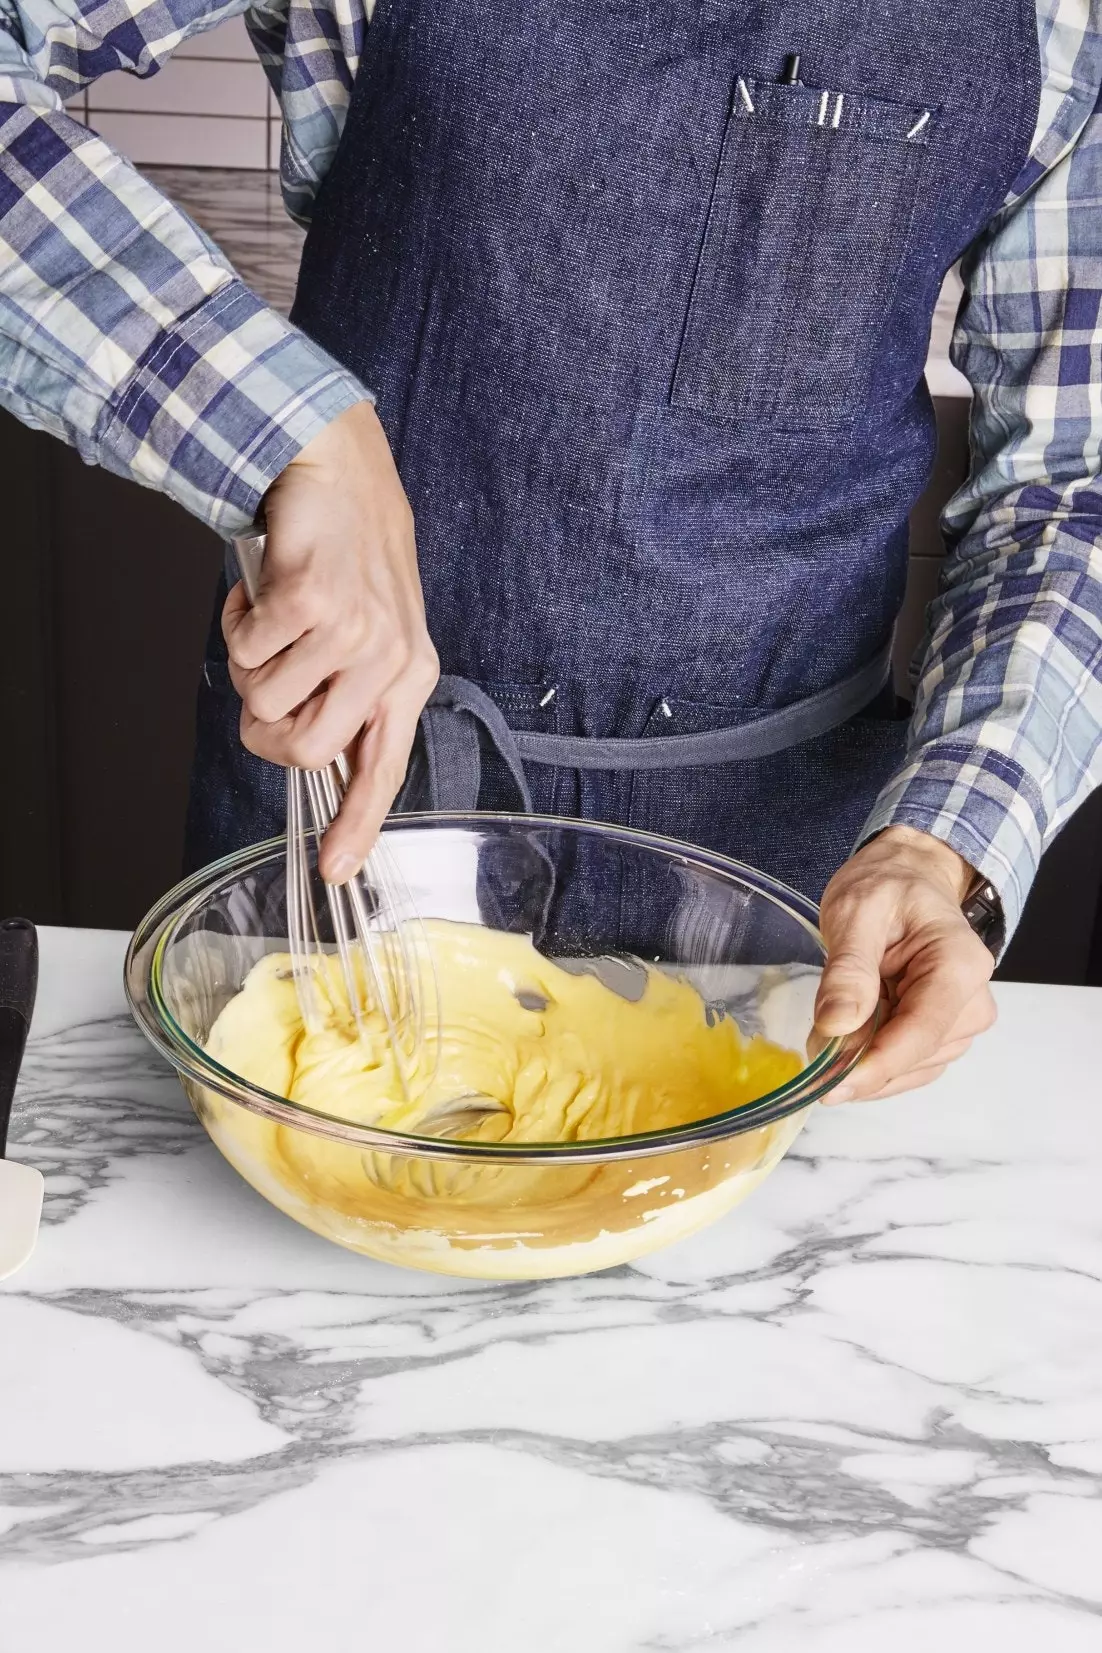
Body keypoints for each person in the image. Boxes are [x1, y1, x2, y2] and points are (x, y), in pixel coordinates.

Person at [2, 1, 1100, 1106]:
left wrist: (946, 842)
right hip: (344, 810)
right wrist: (290, 430)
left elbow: (1071, 496)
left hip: (788, 912)